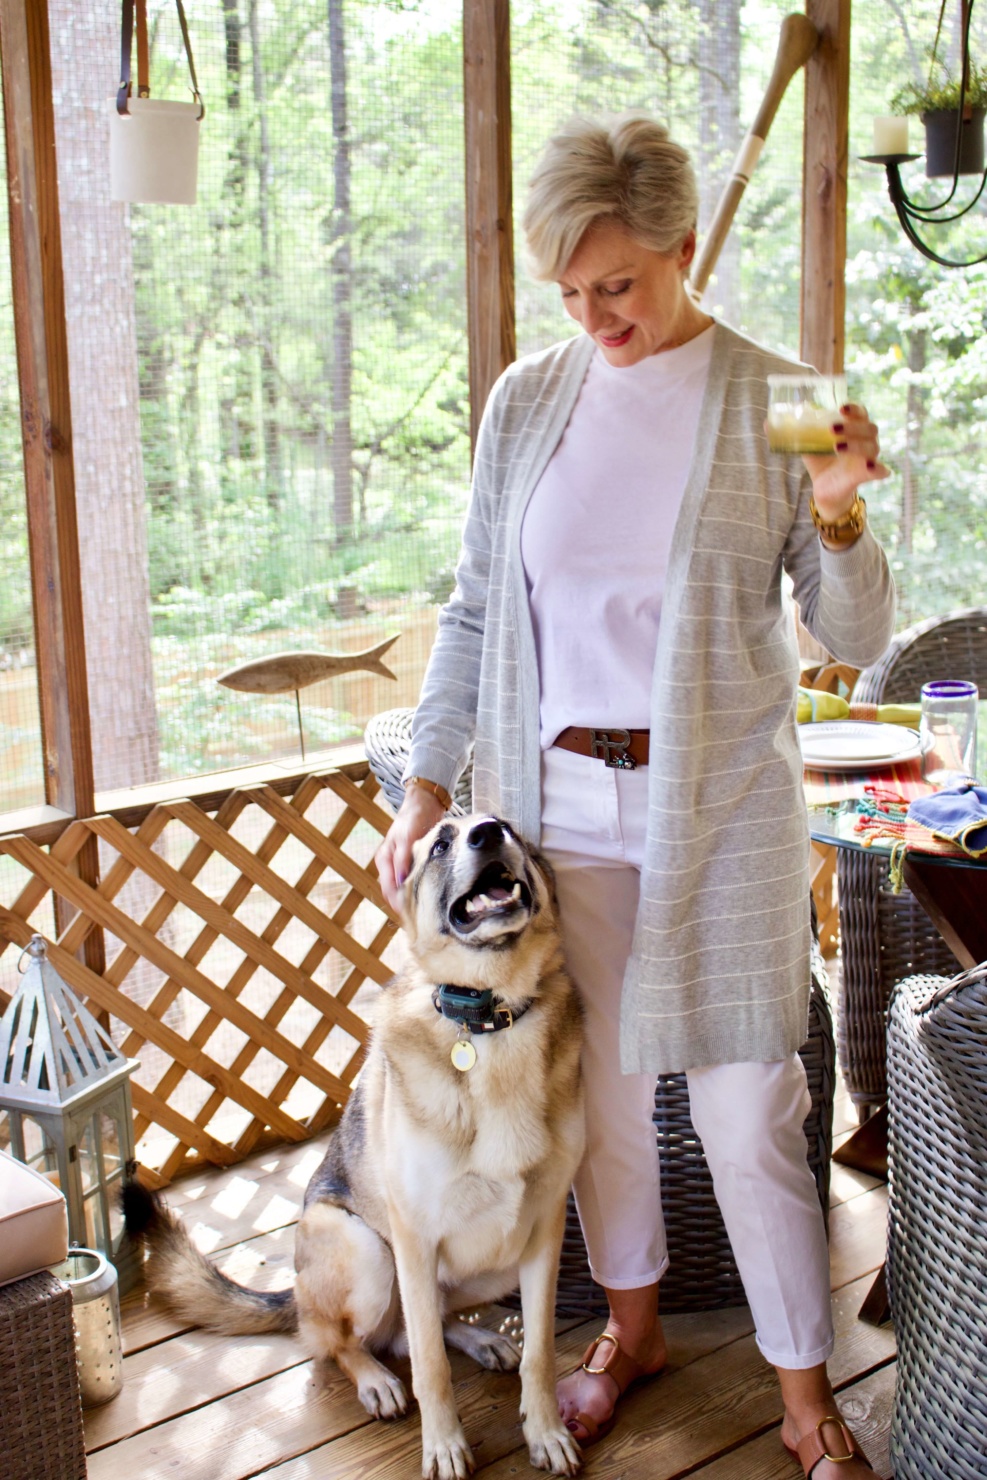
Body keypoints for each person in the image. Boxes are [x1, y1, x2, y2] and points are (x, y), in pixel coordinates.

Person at [376, 114, 893, 1480]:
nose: (593, 315)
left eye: (617, 283)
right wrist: (424, 786)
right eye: (568, 290)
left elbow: (853, 631)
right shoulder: (526, 401)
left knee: (744, 1109)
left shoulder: (779, 391)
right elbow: (478, 610)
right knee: (597, 1108)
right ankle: (635, 1330)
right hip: (555, 830)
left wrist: (839, 506)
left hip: (720, 816)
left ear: (682, 245)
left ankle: (802, 1395)